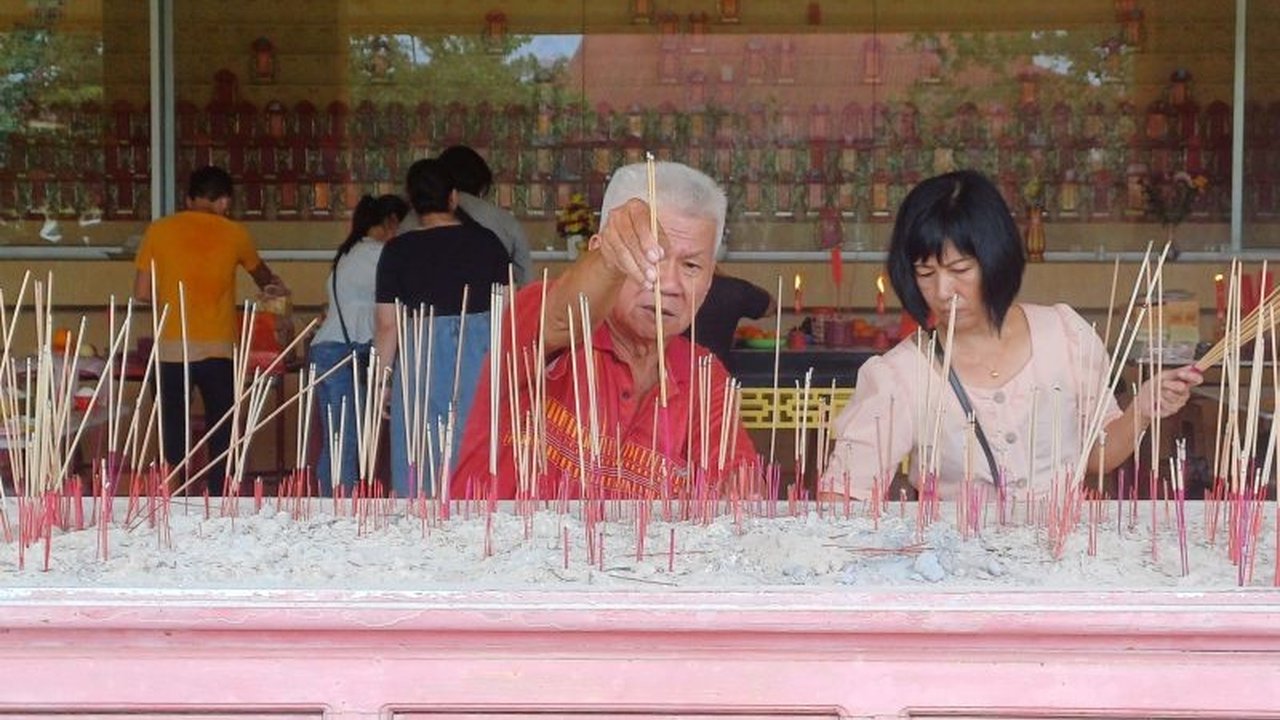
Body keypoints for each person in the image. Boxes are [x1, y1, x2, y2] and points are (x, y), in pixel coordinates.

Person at [820, 170, 1201, 501]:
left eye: (960, 269)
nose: (942, 290)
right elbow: (844, 491)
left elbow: (1097, 456)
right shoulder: (901, 373)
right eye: (925, 273)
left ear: (995, 259)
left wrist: (1142, 410)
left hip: (1058, 568)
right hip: (957, 571)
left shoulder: (1064, 337)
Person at [451, 161, 758, 500]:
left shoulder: (703, 376)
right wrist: (612, 260)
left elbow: (737, 486)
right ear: (599, 251)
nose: (668, 285)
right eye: (649, 257)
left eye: (691, 266)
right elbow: (562, 319)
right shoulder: (538, 315)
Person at [133, 165, 286, 496]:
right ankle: (219, 500)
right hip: (218, 350)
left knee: (172, 430)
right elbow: (265, 279)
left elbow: (142, 292)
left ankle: (173, 497)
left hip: (171, 349)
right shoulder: (235, 233)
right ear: (224, 202)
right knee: (222, 429)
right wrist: (276, 290)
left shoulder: (158, 230)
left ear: (189, 199)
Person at [374, 159, 511, 497]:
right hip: (481, 352)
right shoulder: (488, 242)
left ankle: (422, 532)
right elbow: (509, 309)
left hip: (422, 353)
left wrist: (382, 381)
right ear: (453, 198)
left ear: (413, 203)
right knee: (478, 445)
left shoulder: (397, 251)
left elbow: (387, 324)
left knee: (420, 450)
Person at [308, 193, 408, 495]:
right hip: (347, 354)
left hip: (325, 349)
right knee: (347, 440)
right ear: (392, 222)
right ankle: (340, 509)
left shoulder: (347, 254)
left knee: (336, 439)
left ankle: (331, 502)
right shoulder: (380, 254)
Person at [400, 145, 533, 286]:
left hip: (422, 305)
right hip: (491, 304)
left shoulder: (409, 222)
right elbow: (525, 279)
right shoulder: (504, 222)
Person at [686, 269, 775, 365]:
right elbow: (771, 307)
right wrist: (721, 274)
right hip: (717, 371)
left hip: (674, 372)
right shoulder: (734, 288)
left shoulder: (673, 287)